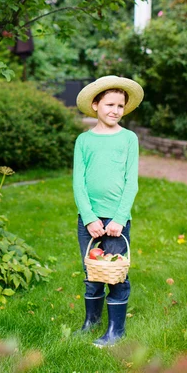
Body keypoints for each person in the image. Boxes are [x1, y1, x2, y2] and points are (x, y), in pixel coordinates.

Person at [73, 75, 144, 347]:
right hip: (89, 220)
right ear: (95, 105)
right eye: (109, 104)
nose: (115, 110)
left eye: (121, 106)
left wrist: (119, 218)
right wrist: (89, 217)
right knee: (92, 273)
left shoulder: (129, 138)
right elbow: (78, 182)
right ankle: (91, 322)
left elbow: (131, 182)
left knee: (115, 275)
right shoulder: (84, 141)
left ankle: (116, 330)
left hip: (116, 220)